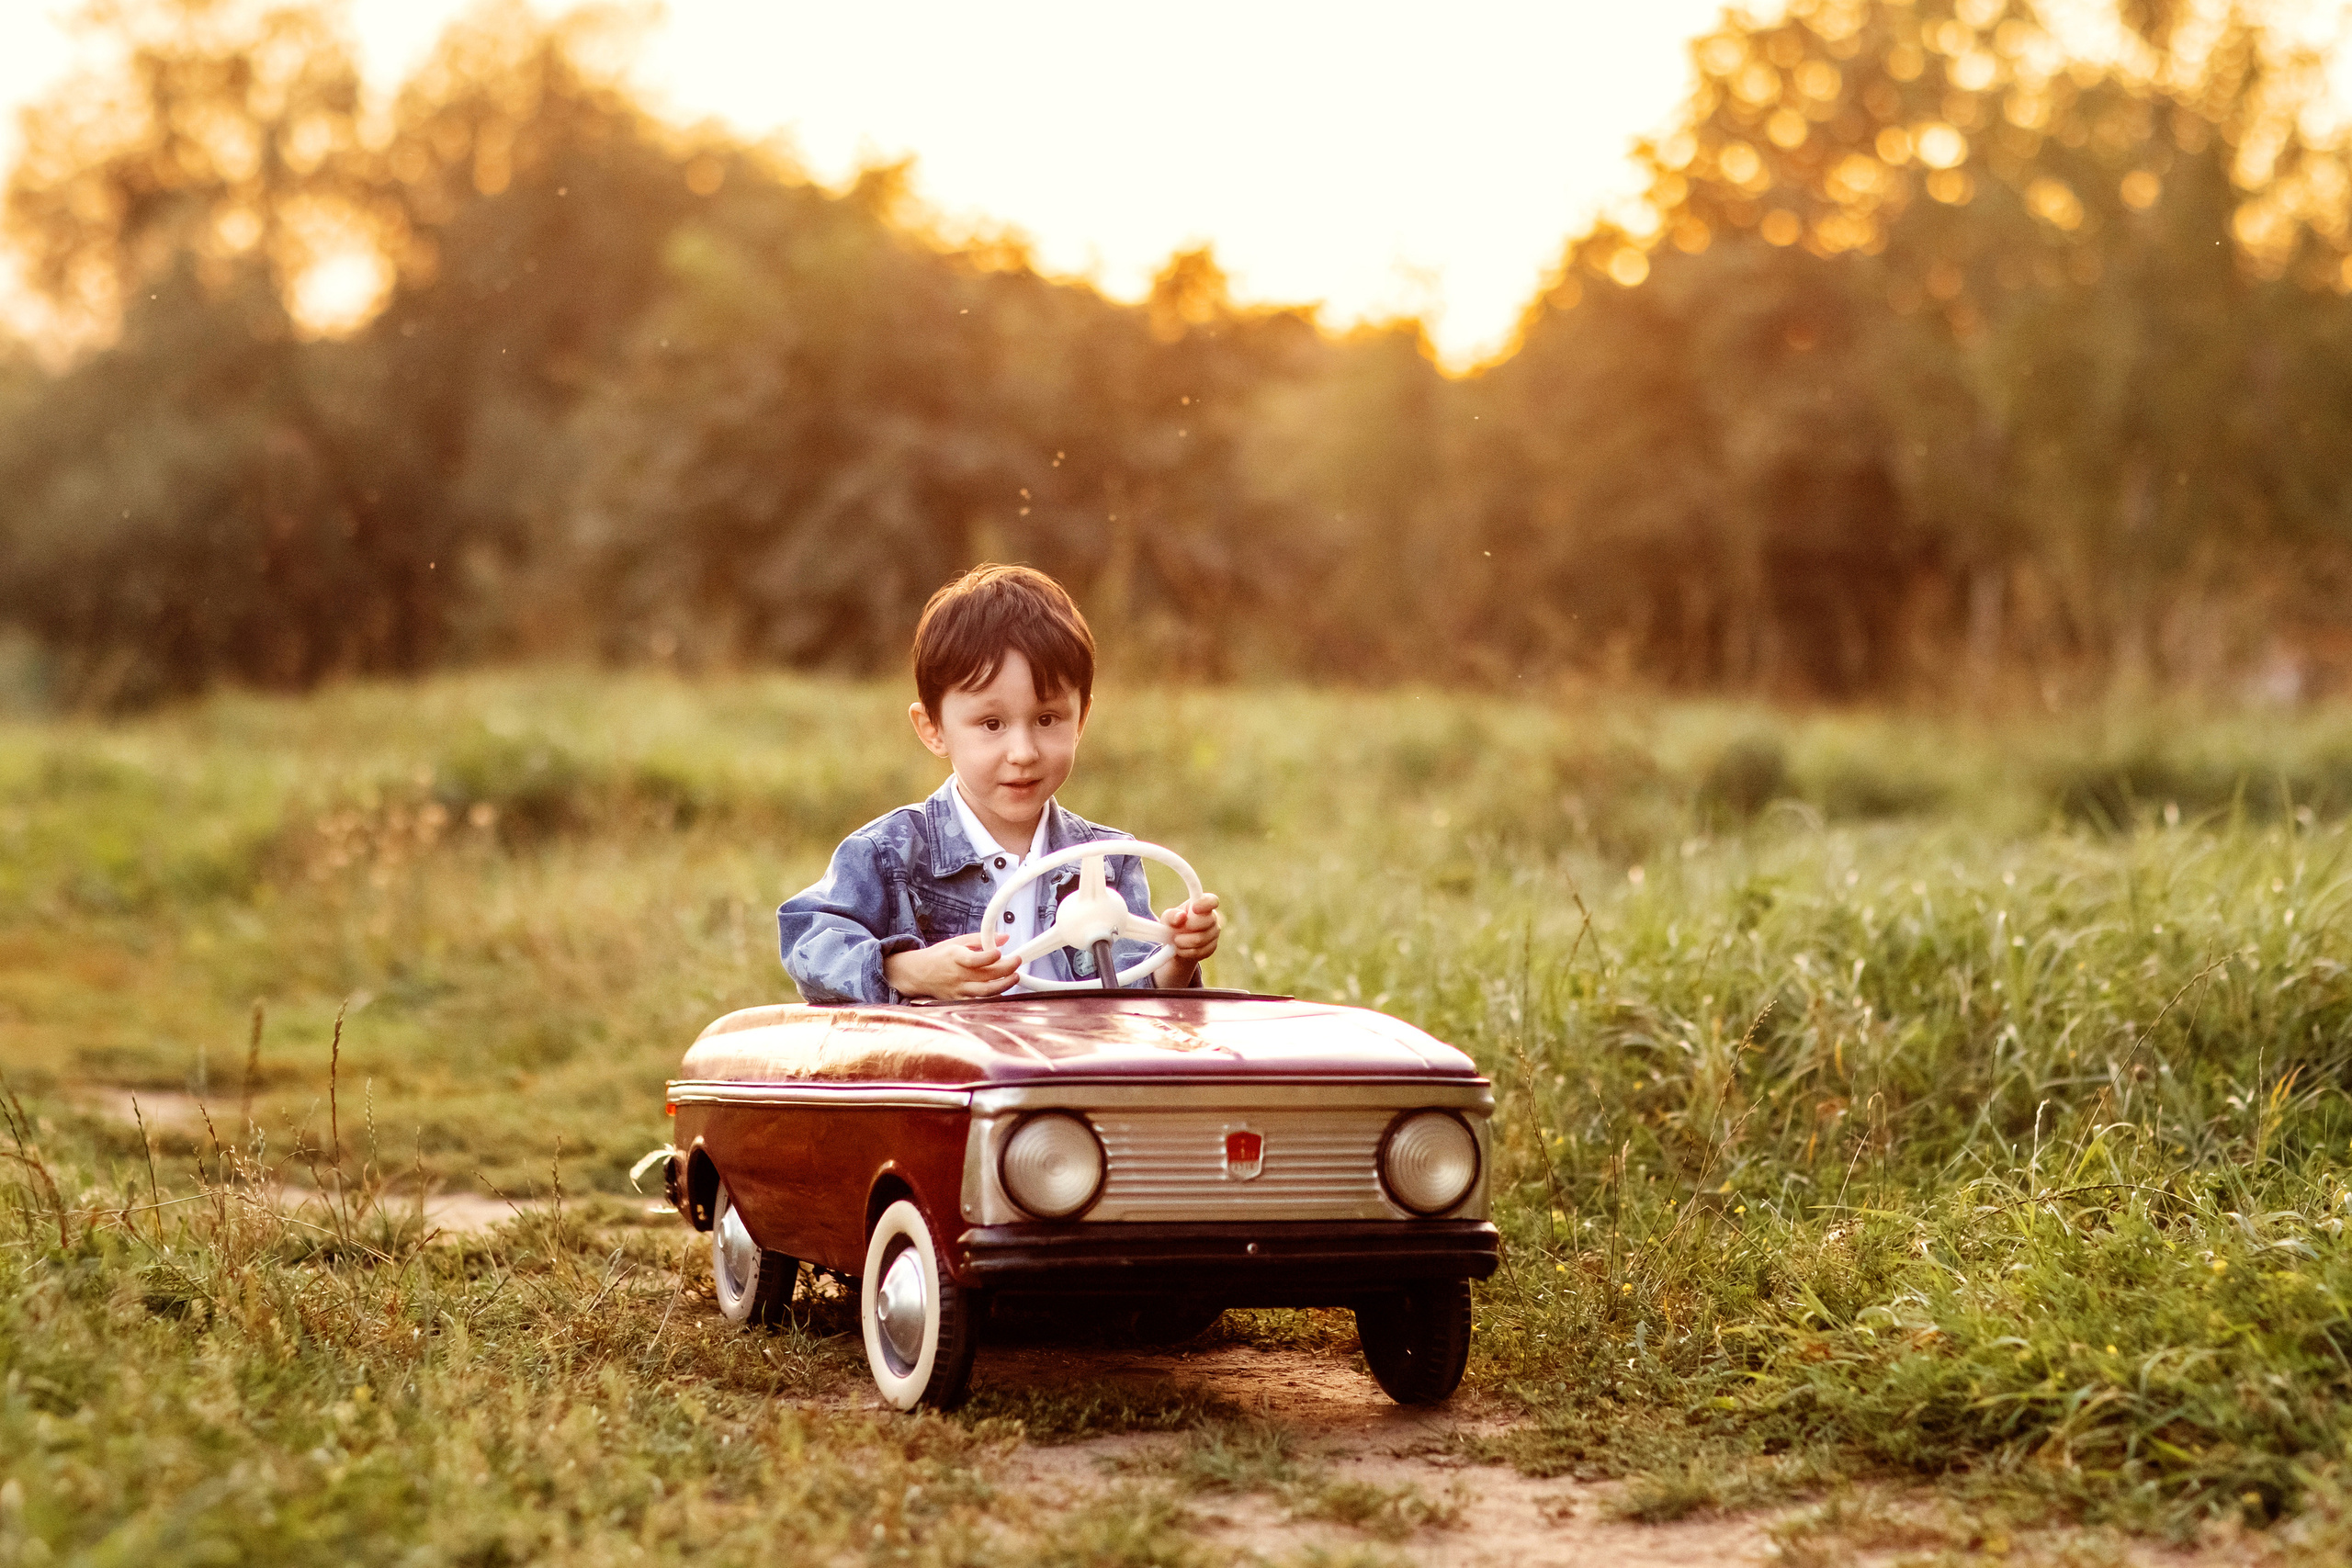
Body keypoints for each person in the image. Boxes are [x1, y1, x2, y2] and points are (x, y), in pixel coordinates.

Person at [777, 564, 1223, 1003]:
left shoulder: (1107, 861)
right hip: (945, 1052)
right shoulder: (890, 853)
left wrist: (1177, 956)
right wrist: (908, 970)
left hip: (1069, 1053)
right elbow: (807, 940)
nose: (1023, 753)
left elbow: (1133, 991)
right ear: (933, 728)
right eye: (992, 724)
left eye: (1047, 719)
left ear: (1081, 719)